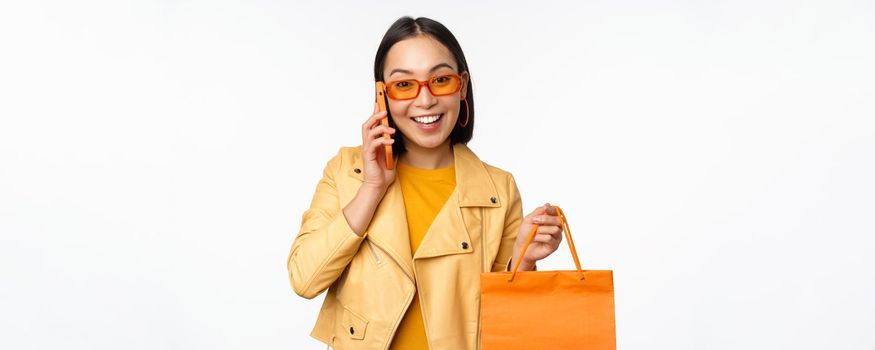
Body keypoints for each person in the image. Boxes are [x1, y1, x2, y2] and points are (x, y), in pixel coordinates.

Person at [287, 16, 565, 350]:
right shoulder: (346, 171)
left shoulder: (497, 189)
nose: (425, 100)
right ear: (382, 96)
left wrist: (524, 260)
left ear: (461, 86)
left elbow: (507, 329)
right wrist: (372, 188)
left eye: (441, 80)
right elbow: (304, 279)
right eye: (404, 85)